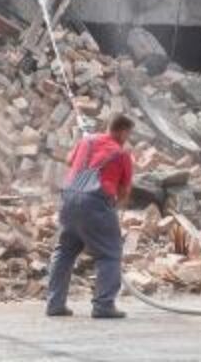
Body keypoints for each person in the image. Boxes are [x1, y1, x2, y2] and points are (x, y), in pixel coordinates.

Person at [45, 112, 134, 319]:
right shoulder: (121, 154)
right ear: (123, 132)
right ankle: (104, 305)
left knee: (65, 251)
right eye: (128, 134)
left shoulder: (87, 141)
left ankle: (54, 304)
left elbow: (69, 161)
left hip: (69, 199)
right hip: (95, 203)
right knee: (109, 253)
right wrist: (116, 206)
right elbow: (124, 191)